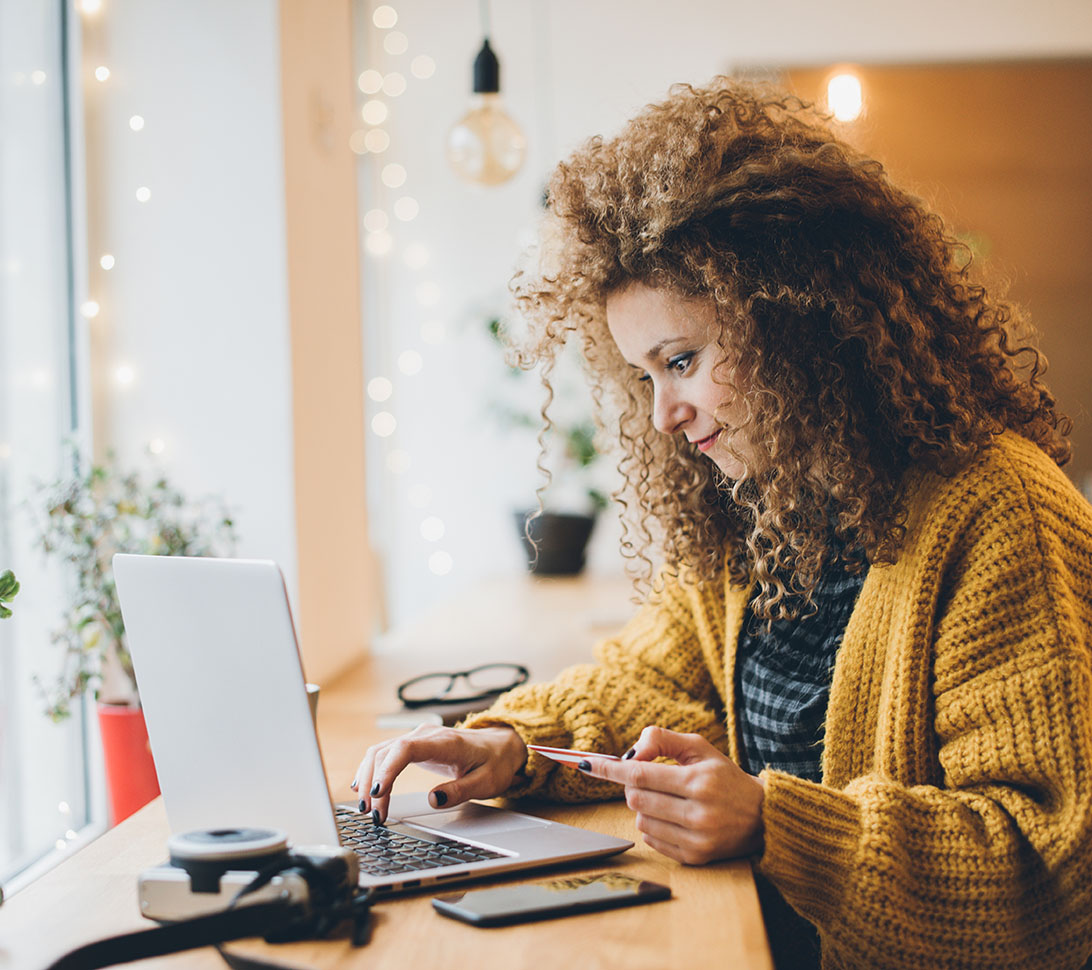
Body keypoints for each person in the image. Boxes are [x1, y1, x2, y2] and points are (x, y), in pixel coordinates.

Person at [352, 78, 1092, 969]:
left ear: (797, 321)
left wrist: (778, 824)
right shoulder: (766, 505)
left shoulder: (997, 508)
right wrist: (508, 743)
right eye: (644, 377)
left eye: (683, 360)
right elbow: (655, 681)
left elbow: (1049, 868)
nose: (664, 413)